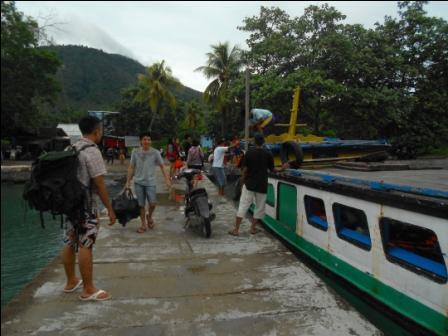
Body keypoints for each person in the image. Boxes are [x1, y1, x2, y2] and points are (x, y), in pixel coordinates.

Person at [62, 115, 116, 301]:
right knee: (86, 244)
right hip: (86, 206)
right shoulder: (92, 151)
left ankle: (70, 282)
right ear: (96, 131)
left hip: (69, 205)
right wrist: (109, 208)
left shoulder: (72, 147)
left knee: (69, 242)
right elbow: (99, 184)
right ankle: (88, 289)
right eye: (100, 129)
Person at [229, 134, 278, 236]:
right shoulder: (268, 154)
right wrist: (283, 168)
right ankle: (253, 228)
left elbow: (245, 169)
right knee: (259, 208)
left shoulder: (249, 153)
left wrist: (242, 181)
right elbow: (273, 169)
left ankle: (236, 230)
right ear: (263, 142)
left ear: (254, 142)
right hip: (262, 185)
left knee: (243, 206)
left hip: (249, 184)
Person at [126, 132, 171, 233]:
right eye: (144, 139)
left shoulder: (155, 152)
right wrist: (127, 182)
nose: (147, 141)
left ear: (151, 141)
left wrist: (167, 180)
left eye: (149, 139)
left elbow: (162, 166)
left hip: (151, 182)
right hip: (138, 182)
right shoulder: (135, 152)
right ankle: (143, 225)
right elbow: (131, 167)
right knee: (141, 205)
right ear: (141, 141)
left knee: (153, 203)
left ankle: (149, 216)